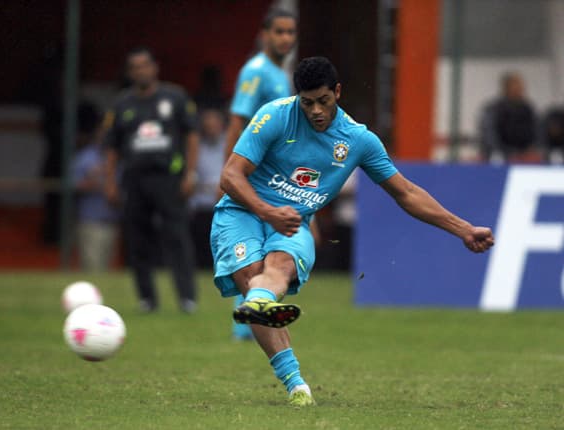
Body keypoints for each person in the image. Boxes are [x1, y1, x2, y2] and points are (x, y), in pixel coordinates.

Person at [211, 57, 495, 406]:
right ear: (298, 97)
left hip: (292, 221)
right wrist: (267, 211)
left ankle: (259, 302)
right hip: (242, 212)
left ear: (338, 93)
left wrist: (464, 229)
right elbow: (230, 176)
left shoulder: (359, 140)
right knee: (252, 275)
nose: (315, 110)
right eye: (307, 102)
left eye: (323, 101)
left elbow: (405, 193)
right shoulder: (274, 116)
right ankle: (295, 383)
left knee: (277, 272)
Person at [104, 47, 199, 314]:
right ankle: (147, 299)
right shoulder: (122, 104)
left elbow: (192, 135)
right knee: (137, 241)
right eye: (135, 67)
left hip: (168, 178)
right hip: (134, 179)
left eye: (144, 65)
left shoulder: (175, 97)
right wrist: (110, 181)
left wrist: (190, 173)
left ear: (154, 67)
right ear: (129, 72)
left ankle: (187, 298)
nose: (140, 71)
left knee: (177, 238)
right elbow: (111, 147)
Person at [225, 7, 298, 340]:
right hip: (253, 172)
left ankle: (250, 312)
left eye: (290, 32)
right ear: (264, 34)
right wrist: (229, 172)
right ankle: (247, 320)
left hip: (274, 175)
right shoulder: (255, 71)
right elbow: (238, 121)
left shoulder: (281, 75)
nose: (285, 38)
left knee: (272, 245)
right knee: (259, 244)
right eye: (279, 32)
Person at [71, 101, 120, 272]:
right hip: (90, 220)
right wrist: (95, 183)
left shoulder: (119, 159)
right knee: (92, 267)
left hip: (112, 219)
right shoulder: (85, 157)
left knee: (108, 268)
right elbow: (73, 185)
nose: (105, 136)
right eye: (102, 132)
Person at [189, 108, 227, 268]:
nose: (211, 129)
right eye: (207, 126)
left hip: (224, 206)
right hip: (201, 206)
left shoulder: (229, 145)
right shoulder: (197, 147)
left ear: (221, 125)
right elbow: (192, 174)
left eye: (214, 125)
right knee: (202, 249)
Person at [478, 72, 539, 163]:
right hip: (501, 154)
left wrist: (531, 148)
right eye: (515, 85)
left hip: (524, 154)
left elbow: (536, 129)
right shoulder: (495, 108)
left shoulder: (527, 108)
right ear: (506, 87)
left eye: (521, 85)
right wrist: (502, 151)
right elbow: (489, 133)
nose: (519, 88)